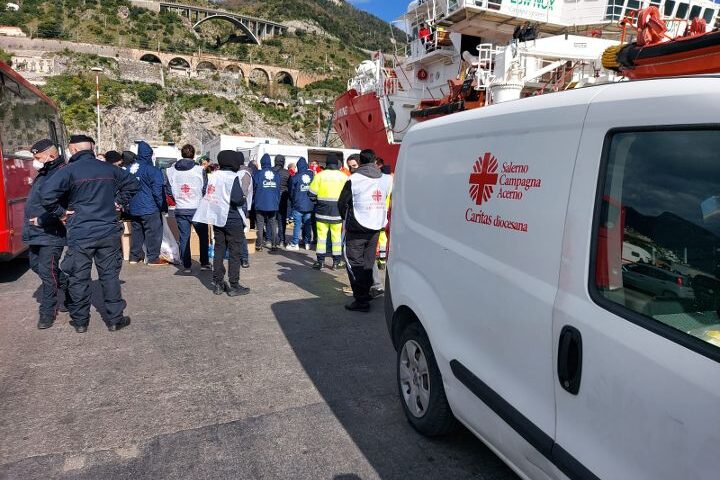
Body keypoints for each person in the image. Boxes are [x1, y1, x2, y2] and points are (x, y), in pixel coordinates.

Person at [40, 135, 139, 332]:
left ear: (73, 150)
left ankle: (80, 322)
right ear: (90, 148)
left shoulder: (68, 171)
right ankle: (114, 319)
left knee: (79, 278)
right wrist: (119, 201)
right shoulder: (109, 168)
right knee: (110, 275)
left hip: (81, 232)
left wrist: (61, 213)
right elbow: (133, 184)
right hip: (108, 230)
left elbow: (46, 194)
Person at [338, 149, 392, 312]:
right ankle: (367, 292)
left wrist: (346, 219)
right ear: (375, 161)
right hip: (376, 227)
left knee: (354, 262)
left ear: (360, 162)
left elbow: (342, 203)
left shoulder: (354, 179)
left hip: (357, 227)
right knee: (369, 261)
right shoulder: (386, 179)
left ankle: (361, 299)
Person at [23, 139, 69, 329]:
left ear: (50, 155)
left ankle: (48, 312)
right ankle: (68, 286)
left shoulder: (62, 173)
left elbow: (64, 206)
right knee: (36, 266)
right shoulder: (45, 172)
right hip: (35, 232)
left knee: (47, 272)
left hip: (50, 232)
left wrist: (44, 220)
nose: (35, 160)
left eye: (37, 156)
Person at [193, 151, 249, 297]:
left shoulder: (214, 175)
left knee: (219, 250)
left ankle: (218, 283)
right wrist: (243, 198)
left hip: (218, 217)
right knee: (234, 252)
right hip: (232, 219)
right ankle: (234, 285)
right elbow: (237, 199)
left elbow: (209, 193)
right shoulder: (232, 177)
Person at [165, 144, 210, 273]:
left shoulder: (171, 170)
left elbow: (168, 190)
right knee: (203, 237)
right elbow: (205, 188)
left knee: (184, 237)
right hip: (197, 209)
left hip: (180, 208)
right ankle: (204, 263)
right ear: (194, 155)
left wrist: (179, 200)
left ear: (181, 154)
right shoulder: (200, 170)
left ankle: (186, 266)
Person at [127, 141, 167, 266]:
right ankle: (153, 258)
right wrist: (162, 206)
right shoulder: (152, 170)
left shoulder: (129, 169)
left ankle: (134, 257)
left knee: (137, 232)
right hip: (149, 207)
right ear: (149, 154)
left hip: (133, 207)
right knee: (153, 233)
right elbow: (157, 191)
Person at [308, 153, 347, 270]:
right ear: (337, 164)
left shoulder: (320, 176)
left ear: (326, 163)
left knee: (321, 238)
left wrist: (318, 202)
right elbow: (348, 196)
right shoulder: (343, 177)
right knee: (336, 238)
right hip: (337, 213)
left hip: (322, 212)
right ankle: (336, 262)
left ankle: (320, 262)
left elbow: (311, 194)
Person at [252, 153, 281, 253]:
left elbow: (254, 188)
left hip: (260, 203)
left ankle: (259, 245)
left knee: (260, 224)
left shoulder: (258, 174)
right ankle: (274, 244)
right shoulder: (276, 175)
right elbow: (278, 189)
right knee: (273, 224)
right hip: (273, 203)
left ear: (262, 163)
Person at [286, 157, 315, 251]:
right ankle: (307, 243)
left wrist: (293, 200)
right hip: (310, 205)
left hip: (298, 205)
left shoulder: (295, 177)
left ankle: (295, 243)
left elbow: (291, 191)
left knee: (297, 225)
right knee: (307, 224)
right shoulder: (312, 176)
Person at [237, 154, 254, 268]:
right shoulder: (241, 172)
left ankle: (244, 258)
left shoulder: (244, 173)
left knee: (240, 233)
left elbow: (243, 193)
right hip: (240, 204)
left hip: (240, 204)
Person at [273, 154, 291, 247]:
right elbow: (290, 186)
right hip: (283, 199)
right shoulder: (287, 173)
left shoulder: (271, 171)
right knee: (281, 220)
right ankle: (282, 239)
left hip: (272, 198)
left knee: (271, 220)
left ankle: (271, 240)